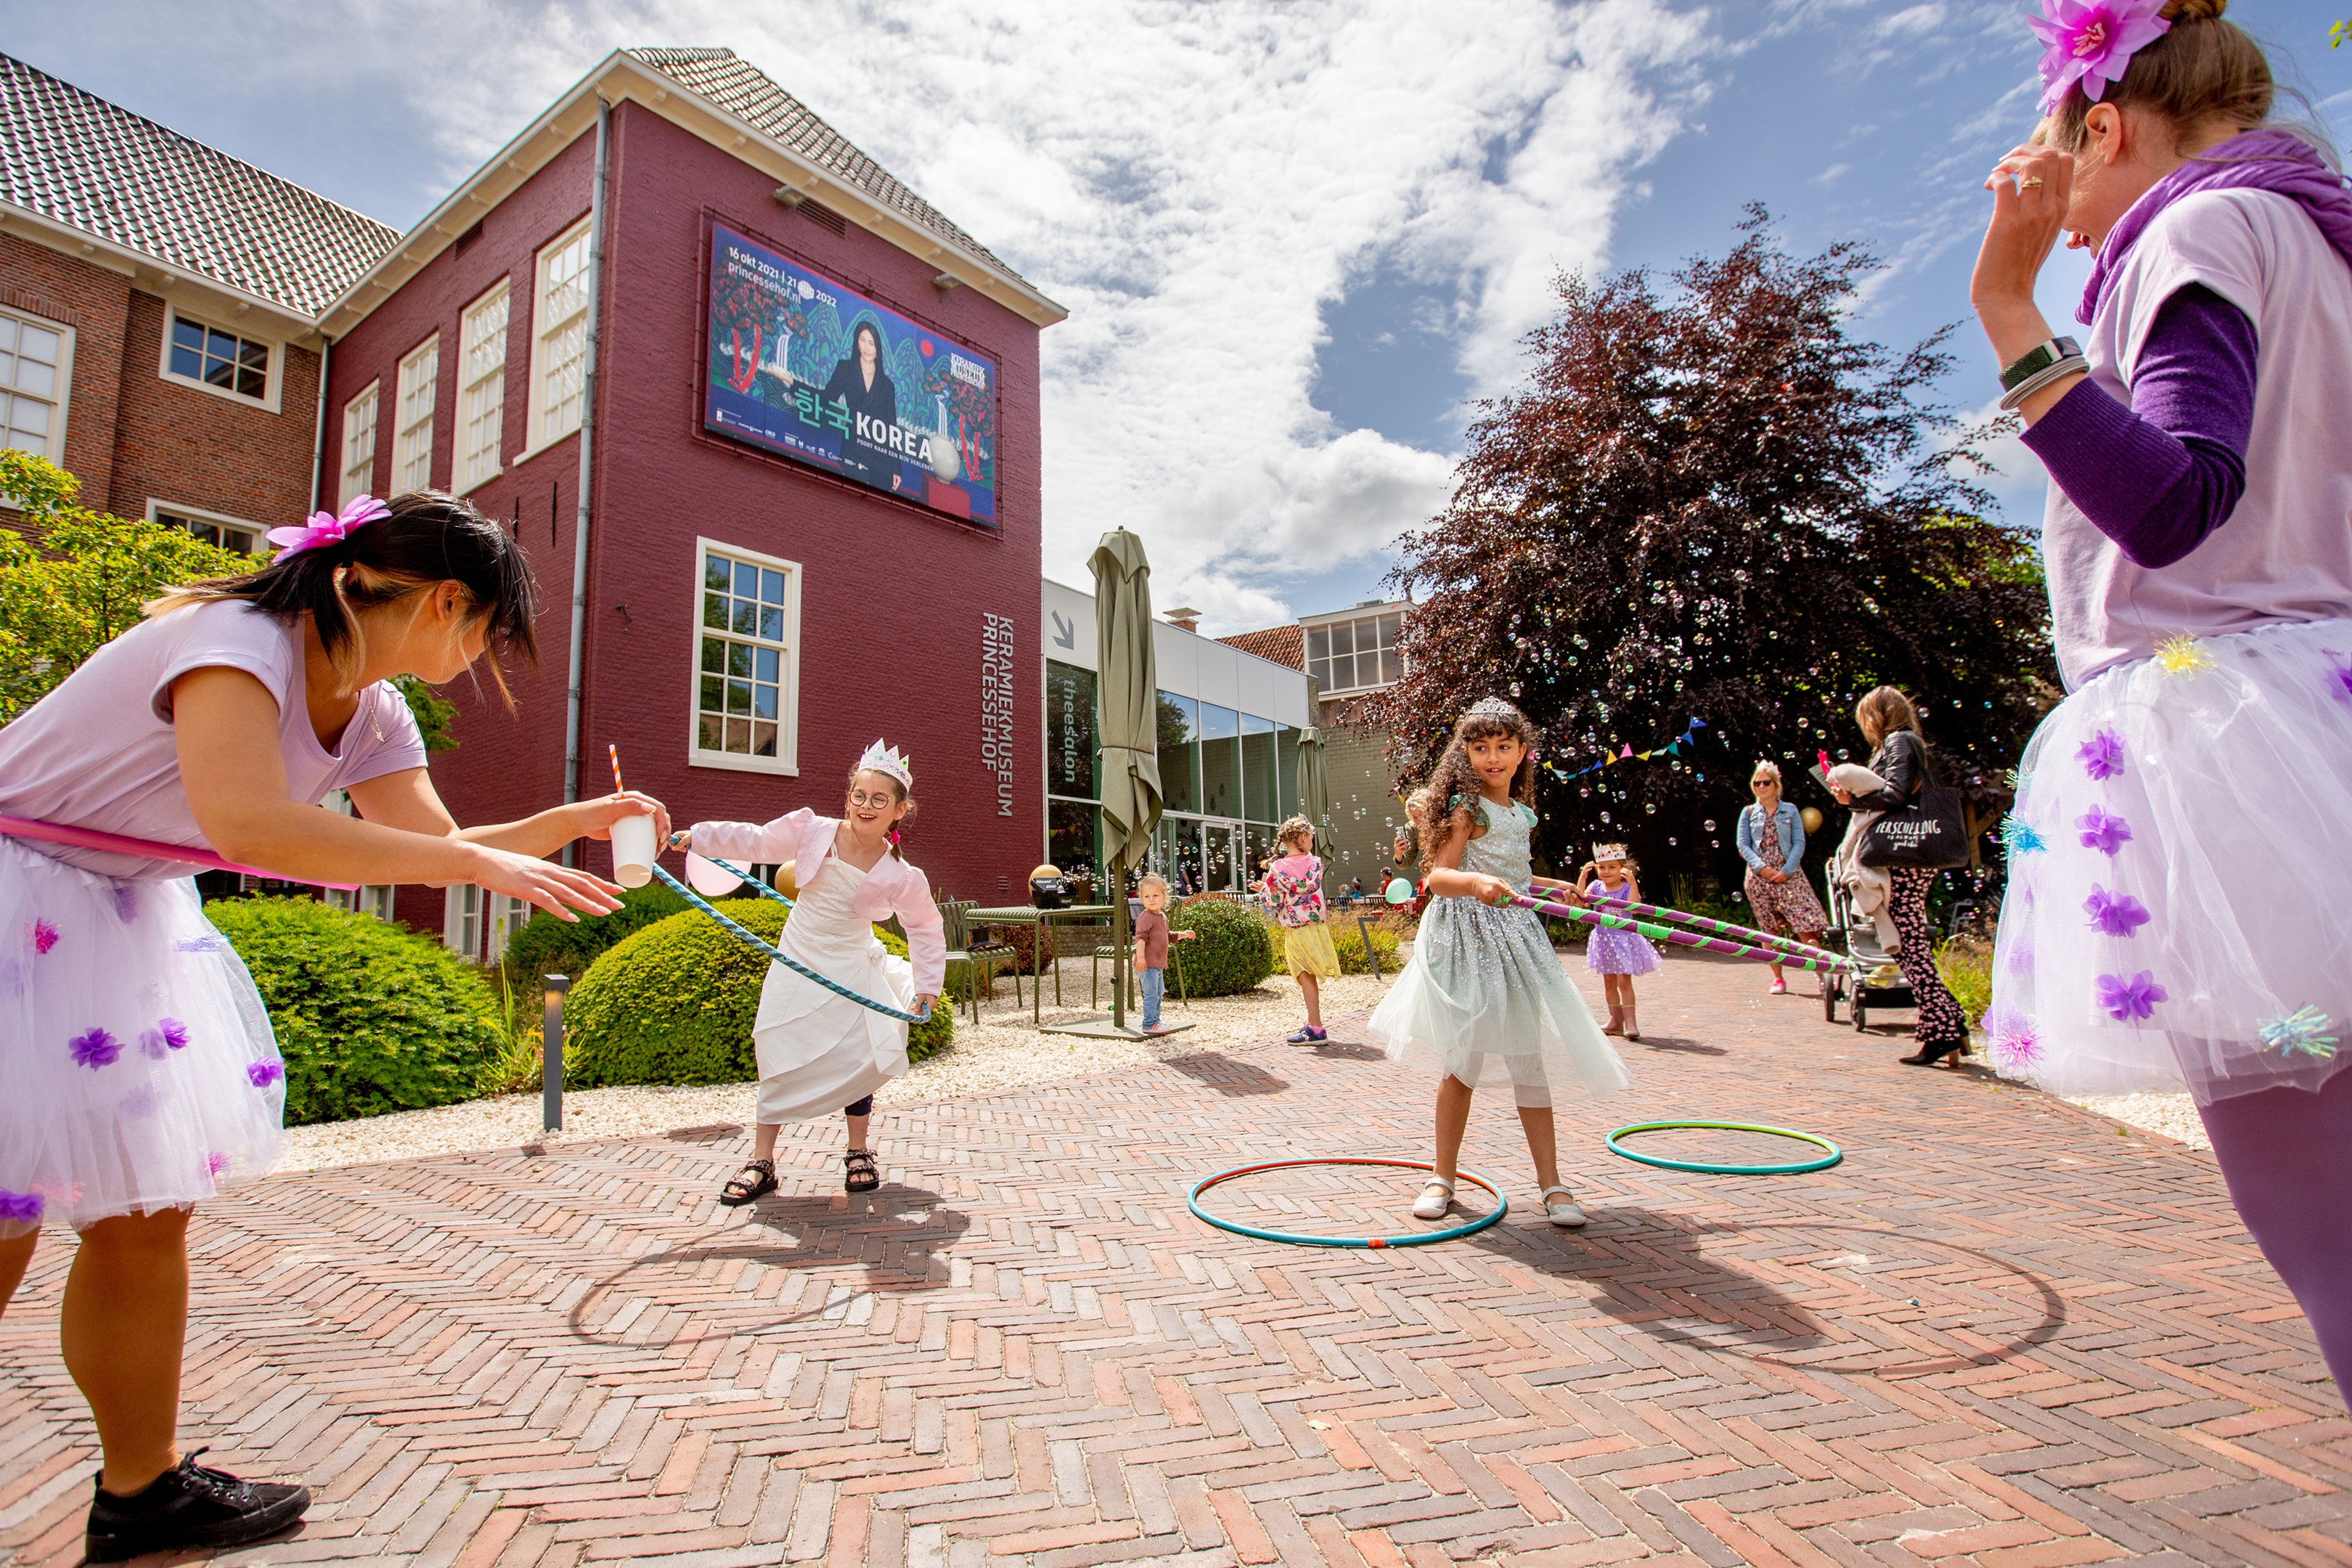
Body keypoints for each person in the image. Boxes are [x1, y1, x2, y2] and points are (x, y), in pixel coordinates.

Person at [0, 491, 657, 1561]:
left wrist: (571, 826)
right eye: (491, 630)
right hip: (18, 891)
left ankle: (142, 1490)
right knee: (4, 1217)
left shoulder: (377, 706)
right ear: (448, 601)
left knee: (144, 1215)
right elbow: (247, 821)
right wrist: (472, 861)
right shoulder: (235, 640)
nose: (489, 654)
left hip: (112, 913)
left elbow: (439, 842)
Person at [1972, 0, 2352, 1399]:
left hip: (2247, 745)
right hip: (2323, 713)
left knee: (2328, 1233)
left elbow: (2177, 500)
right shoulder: (2315, 243)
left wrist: (2011, 318)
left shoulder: (2200, 231)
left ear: (2108, 128)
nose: (2069, 231)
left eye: (2061, 179)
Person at [1368, 698, 1627, 1228]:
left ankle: (1552, 1185)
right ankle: (1442, 1177)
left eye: (1503, 747)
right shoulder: (1467, 809)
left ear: (1522, 752)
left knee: (1529, 1062)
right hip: (1469, 942)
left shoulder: (1520, 812)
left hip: (1516, 942)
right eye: (1481, 747)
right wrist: (1477, 883)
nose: (1493, 757)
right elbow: (1439, 878)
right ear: (1465, 754)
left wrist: (1559, 890)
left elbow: (1521, 879)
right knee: (1461, 1064)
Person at [675, 742, 943, 1204]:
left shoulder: (903, 875)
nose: (866, 806)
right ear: (848, 798)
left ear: (899, 811)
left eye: (880, 800)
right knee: (778, 1047)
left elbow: (925, 928)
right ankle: (763, 1161)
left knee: (857, 1055)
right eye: (859, 795)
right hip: (798, 960)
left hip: (851, 968)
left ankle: (858, 1150)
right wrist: (697, 837)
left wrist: (927, 990)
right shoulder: (812, 831)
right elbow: (756, 841)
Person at [1827, 687, 1972, 1065]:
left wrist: (1852, 801)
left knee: (1908, 946)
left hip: (1904, 859)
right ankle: (1950, 1021)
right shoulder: (1907, 742)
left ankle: (1942, 1030)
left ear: (1877, 715)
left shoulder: (1899, 741)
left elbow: (1894, 795)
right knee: (1908, 944)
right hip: (1907, 857)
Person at [1737, 761, 1829, 995]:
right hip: (1759, 877)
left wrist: (1786, 871)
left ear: (1776, 785)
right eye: (1757, 783)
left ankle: (1823, 979)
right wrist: (1762, 868)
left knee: (1805, 928)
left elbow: (1799, 842)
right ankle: (1778, 979)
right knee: (1769, 930)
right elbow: (1743, 845)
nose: (1761, 786)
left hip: (1789, 874)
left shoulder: (1790, 810)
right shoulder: (1748, 812)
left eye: (1766, 782)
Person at [1260, 817, 1340, 1044]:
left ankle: (1316, 1028)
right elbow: (1308, 888)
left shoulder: (1277, 869)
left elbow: (1274, 902)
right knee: (1310, 976)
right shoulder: (1315, 864)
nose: (1312, 842)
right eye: (1312, 838)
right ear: (1303, 838)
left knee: (1304, 976)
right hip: (1317, 928)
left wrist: (1263, 891)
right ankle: (1311, 1023)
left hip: (1296, 929)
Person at [1577, 846, 1659, 1040]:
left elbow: (1635, 909)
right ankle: (1615, 1021)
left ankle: (1630, 1022)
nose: (1606, 872)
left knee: (1624, 982)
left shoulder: (1625, 888)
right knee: (1609, 983)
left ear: (1623, 868)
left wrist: (1632, 882)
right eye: (1602, 867)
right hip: (1603, 940)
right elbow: (1580, 902)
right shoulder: (1596, 887)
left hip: (1623, 940)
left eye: (1612, 867)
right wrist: (1582, 878)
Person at [820, 319, 902, 491]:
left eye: (871, 343)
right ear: (856, 342)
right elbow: (826, 399)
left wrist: (896, 468)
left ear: (878, 348)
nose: (866, 348)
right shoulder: (845, 369)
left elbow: (891, 427)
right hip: (853, 449)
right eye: (862, 340)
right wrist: (795, 385)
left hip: (880, 459)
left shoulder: (887, 385)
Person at [1131, 873, 1196, 1034]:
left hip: (1157, 963)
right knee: (1152, 994)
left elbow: (1166, 936)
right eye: (1147, 896)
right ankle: (1149, 1023)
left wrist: (1182, 934)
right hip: (1147, 963)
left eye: (1155, 895)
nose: (1151, 899)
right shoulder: (1145, 917)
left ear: (1164, 896)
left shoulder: (1161, 917)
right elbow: (1140, 939)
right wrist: (1140, 958)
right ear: (1142, 899)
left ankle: (1156, 1020)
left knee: (1158, 993)